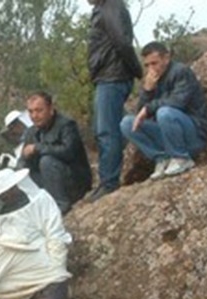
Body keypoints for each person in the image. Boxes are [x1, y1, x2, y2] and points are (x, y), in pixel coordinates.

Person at [121, 42, 207, 180]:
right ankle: (162, 158)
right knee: (127, 123)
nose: (151, 69)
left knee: (164, 112)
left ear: (166, 58)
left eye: (154, 63)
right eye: (147, 65)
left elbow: (177, 103)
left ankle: (181, 158)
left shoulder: (181, 72)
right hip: (167, 136)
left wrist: (148, 108)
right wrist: (147, 91)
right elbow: (140, 114)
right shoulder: (152, 79)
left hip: (193, 133)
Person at [87, 0, 143, 201]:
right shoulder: (103, 8)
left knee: (106, 131)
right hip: (108, 76)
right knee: (110, 128)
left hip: (113, 77)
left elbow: (122, 42)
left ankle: (109, 182)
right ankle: (110, 177)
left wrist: (137, 71)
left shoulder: (111, 6)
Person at [16, 91, 92, 214]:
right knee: (22, 172)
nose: (34, 115)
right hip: (47, 182)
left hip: (74, 180)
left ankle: (61, 204)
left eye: (39, 110)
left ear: (50, 109)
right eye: (31, 111)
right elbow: (22, 162)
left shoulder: (66, 125)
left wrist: (38, 148)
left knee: (47, 161)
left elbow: (69, 152)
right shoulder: (32, 132)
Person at [0, 168, 71, 269]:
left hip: (39, 254)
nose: (3, 197)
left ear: (15, 187)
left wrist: (57, 266)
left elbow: (55, 234)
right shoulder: (3, 211)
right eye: (1, 195)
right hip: (12, 259)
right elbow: (3, 239)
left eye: (6, 192)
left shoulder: (40, 200)